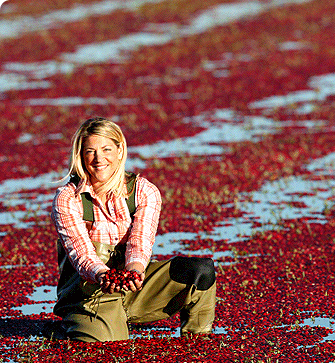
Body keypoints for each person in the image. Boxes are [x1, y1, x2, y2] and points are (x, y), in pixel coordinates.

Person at [51, 117, 216, 342]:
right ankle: (67, 327)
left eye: (106, 149)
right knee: (107, 345)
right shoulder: (68, 198)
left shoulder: (144, 191)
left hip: (131, 288)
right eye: (90, 151)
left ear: (120, 151)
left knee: (200, 272)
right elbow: (82, 256)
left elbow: (140, 242)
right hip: (90, 292)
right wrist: (103, 274)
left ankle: (197, 343)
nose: (99, 159)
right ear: (80, 155)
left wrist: (135, 271)